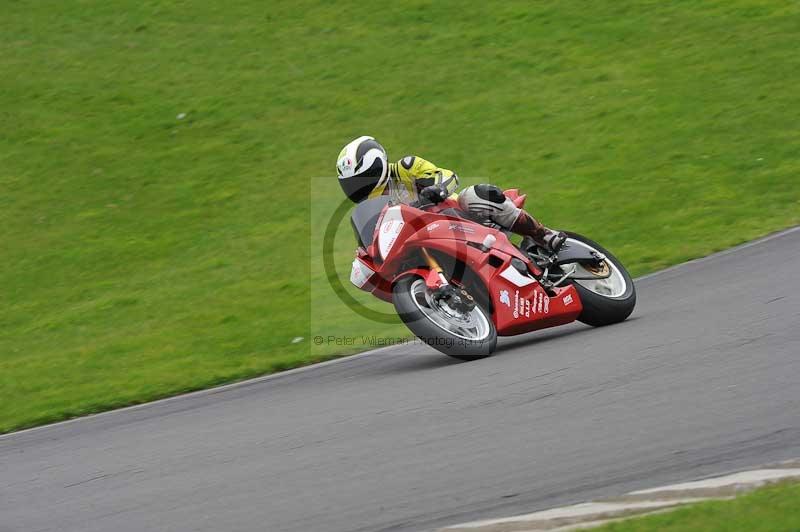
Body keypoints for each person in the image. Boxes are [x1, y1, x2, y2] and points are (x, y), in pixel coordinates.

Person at [336, 135, 566, 251]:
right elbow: (372, 244)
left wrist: (437, 189)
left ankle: (541, 234)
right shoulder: (368, 210)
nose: (359, 188)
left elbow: (446, 175)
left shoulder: (406, 167)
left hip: (456, 217)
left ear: (378, 166)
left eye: (361, 179)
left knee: (472, 195)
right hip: (425, 240)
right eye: (352, 184)